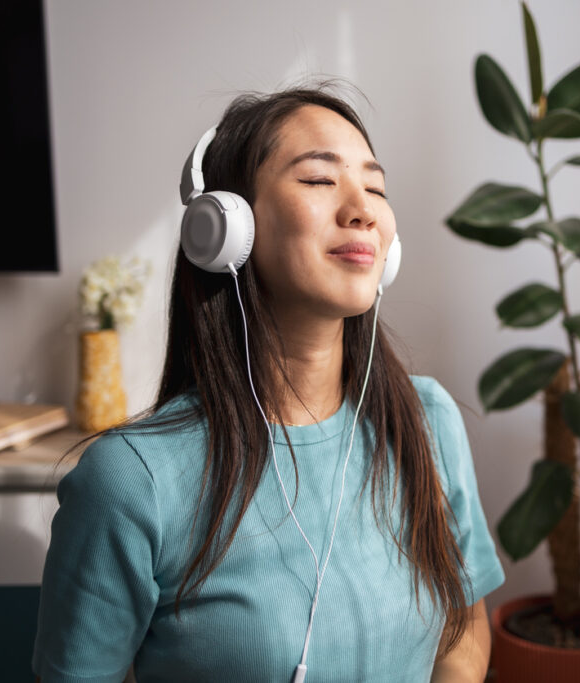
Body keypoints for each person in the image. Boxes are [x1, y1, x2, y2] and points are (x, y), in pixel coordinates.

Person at [31, 83, 504, 683]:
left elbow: (463, 630)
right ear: (224, 229)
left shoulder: (426, 419)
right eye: (317, 180)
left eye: (376, 187)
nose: (362, 208)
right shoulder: (131, 482)